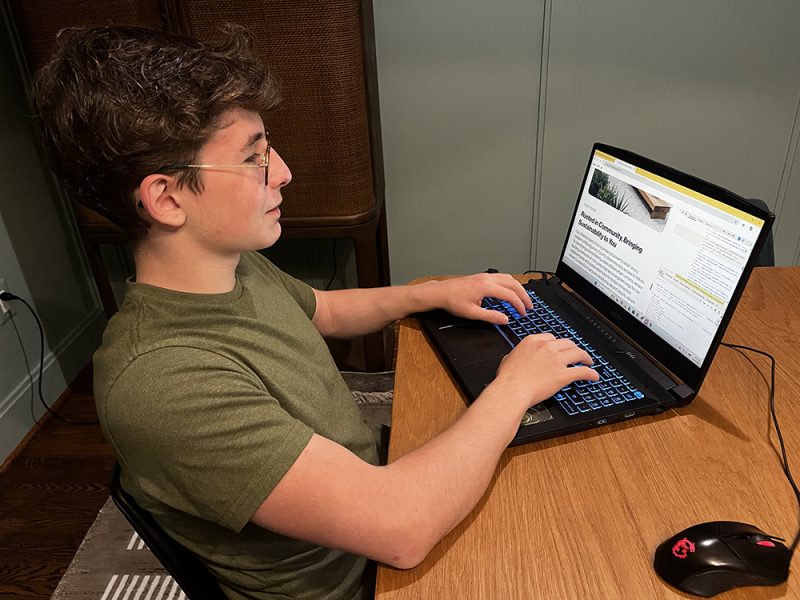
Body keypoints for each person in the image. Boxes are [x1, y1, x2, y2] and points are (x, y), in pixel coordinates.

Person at [30, 24, 598, 599]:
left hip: (372, 487)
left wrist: (430, 294)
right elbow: (401, 529)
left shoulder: (229, 263)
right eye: (254, 159)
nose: (283, 172)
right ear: (168, 198)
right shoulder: (163, 379)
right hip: (361, 576)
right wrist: (514, 386)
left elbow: (319, 310)